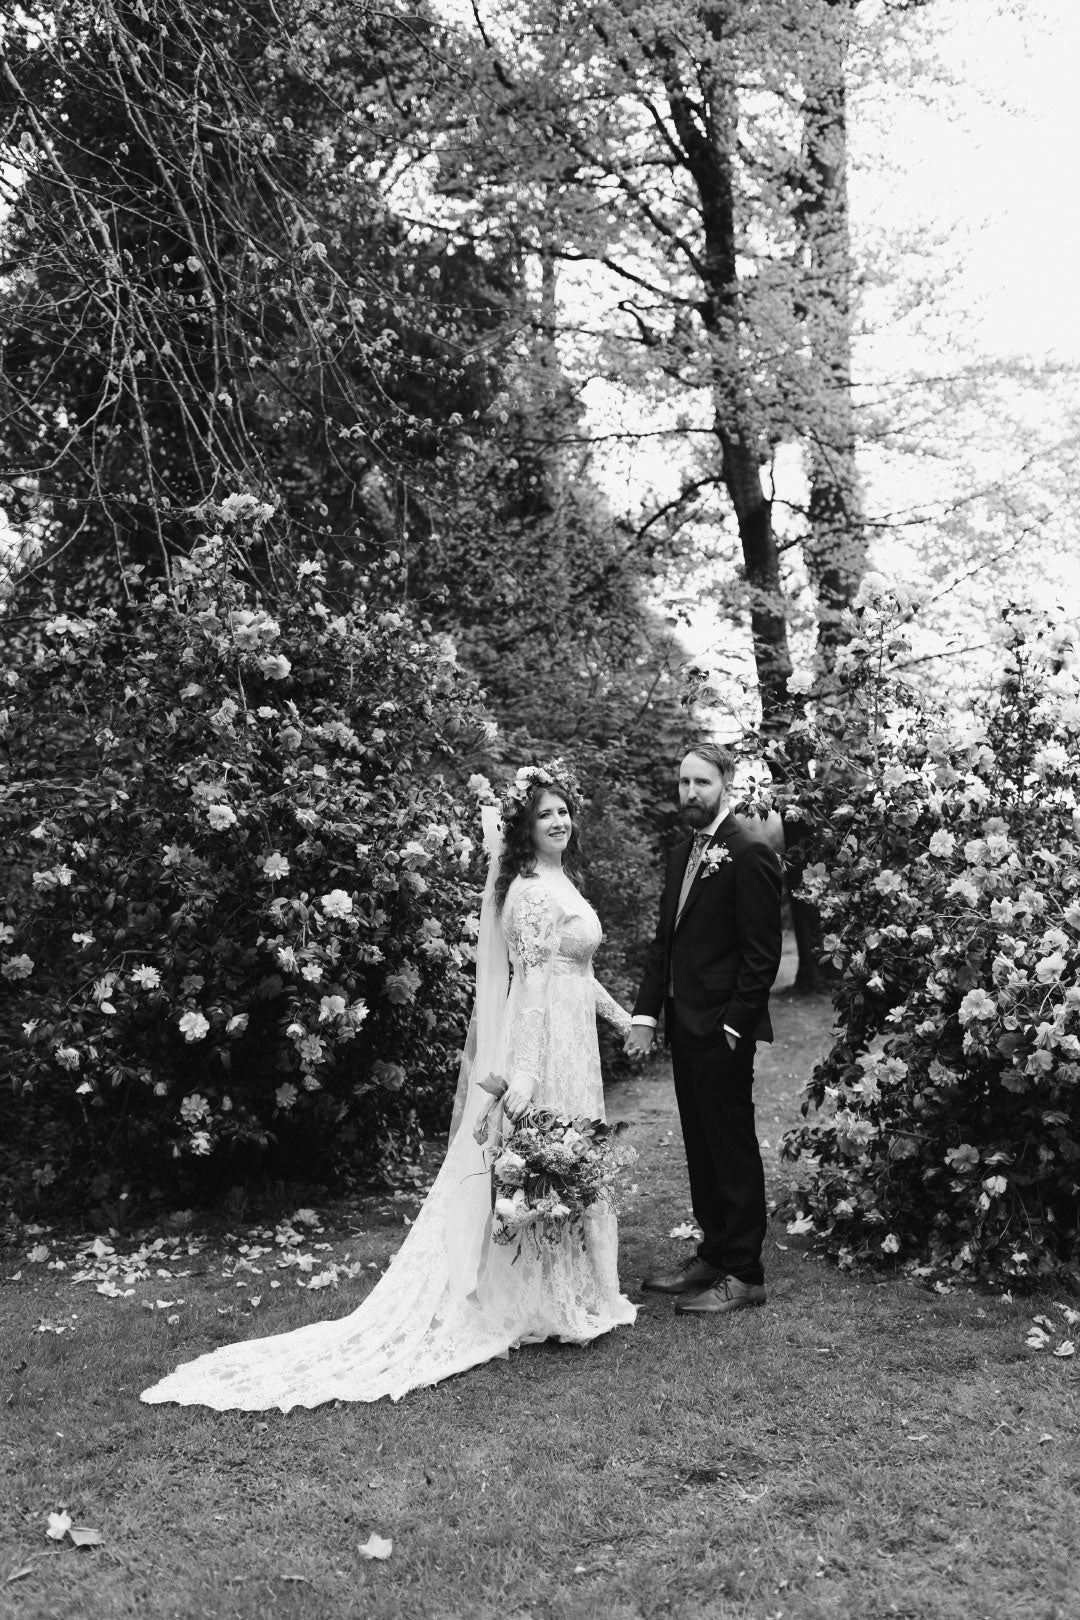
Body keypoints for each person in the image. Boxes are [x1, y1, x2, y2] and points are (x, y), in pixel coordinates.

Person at [141, 760, 635, 1411]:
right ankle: (539, 1297)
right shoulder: (529, 893)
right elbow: (535, 989)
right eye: (547, 815)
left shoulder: (560, 880)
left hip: (575, 1046)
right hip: (542, 1049)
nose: (560, 821)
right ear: (525, 825)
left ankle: (573, 1287)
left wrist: (625, 1018)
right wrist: (527, 1073)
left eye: (564, 811)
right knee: (543, 1161)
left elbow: (575, 973)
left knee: (566, 1160)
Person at [626, 744, 783, 1315]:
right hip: (683, 1027)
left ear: (726, 783)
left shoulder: (750, 851)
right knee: (700, 1144)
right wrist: (646, 1014)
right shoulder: (682, 853)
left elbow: (762, 955)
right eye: (683, 782)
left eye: (702, 783)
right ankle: (714, 1254)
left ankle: (745, 1273)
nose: (691, 793)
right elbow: (663, 944)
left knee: (731, 1146)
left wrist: (735, 1027)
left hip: (721, 1030)